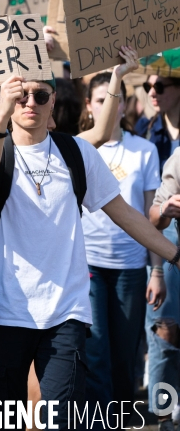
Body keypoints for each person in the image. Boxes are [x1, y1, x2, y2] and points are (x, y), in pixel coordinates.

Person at [0, 70, 180, 430]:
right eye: (20, 95)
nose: (30, 102)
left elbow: (125, 213)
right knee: (7, 421)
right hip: (4, 311)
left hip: (66, 312)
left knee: (63, 420)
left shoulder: (76, 153)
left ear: (54, 103)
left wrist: (174, 255)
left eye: (40, 96)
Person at [80, 72, 164, 427]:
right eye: (100, 99)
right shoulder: (78, 147)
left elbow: (149, 217)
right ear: (88, 105)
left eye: (112, 99)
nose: (107, 105)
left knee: (125, 354)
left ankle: (122, 418)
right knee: (95, 352)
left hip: (131, 268)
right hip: (87, 267)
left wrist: (157, 269)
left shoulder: (144, 151)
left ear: (125, 104)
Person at [136, 75, 180, 430]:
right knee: (165, 340)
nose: (154, 92)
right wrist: (165, 211)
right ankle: (165, 418)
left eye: (162, 85)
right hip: (173, 257)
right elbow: (152, 216)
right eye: (150, 85)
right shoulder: (176, 159)